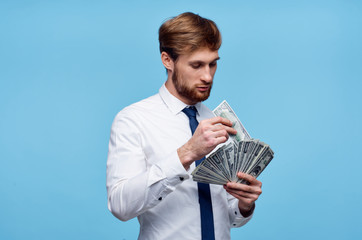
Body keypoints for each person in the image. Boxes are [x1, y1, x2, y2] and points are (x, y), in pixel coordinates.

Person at [106, 12, 262, 240]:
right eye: (196, 65)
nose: (207, 76)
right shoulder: (133, 120)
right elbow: (120, 206)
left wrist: (244, 204)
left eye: (212, 64)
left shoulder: (218, 121)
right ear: (167, 60)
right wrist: (187, 152)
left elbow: (229, 216)